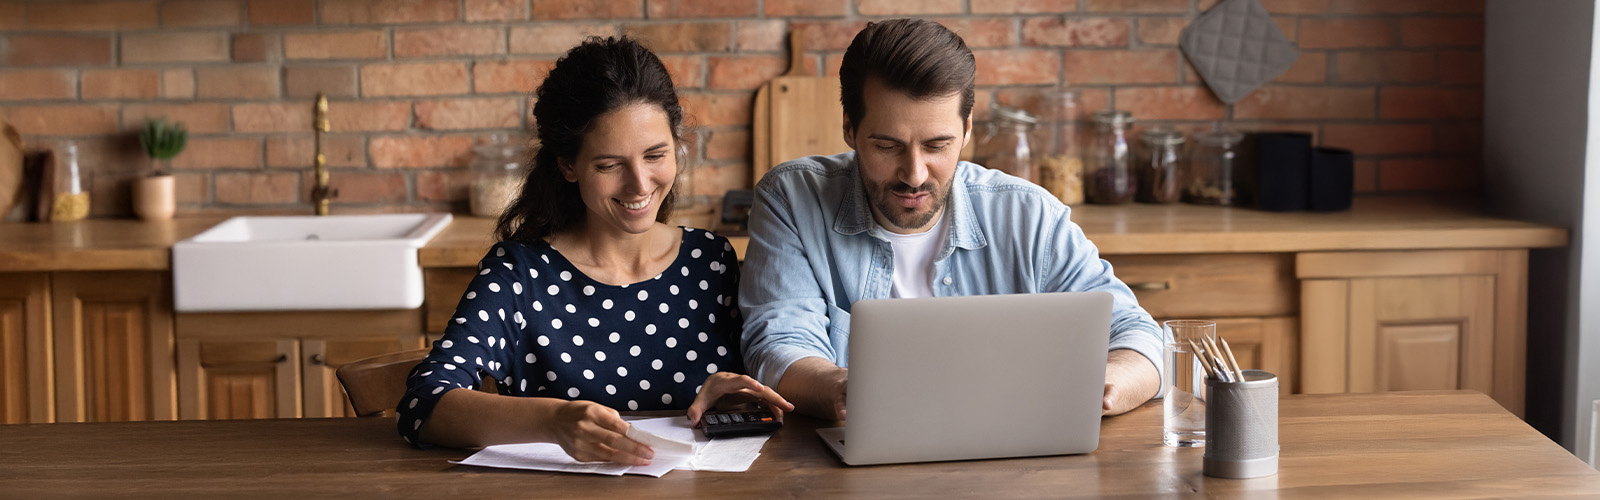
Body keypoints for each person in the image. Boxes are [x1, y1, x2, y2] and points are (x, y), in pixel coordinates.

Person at [739, 19, 1164, 422]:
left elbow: (1138, 334)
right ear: (850, 129)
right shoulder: (791, 198)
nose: (915, 174)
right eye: (887, 146)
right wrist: (850, 389)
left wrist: (1103, 388)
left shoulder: (1030, 215)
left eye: (937, 145)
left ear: (967, 130)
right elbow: (777, 346)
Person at [397, 36, 791, 465]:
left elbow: (767, 395)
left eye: (655, 155)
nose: (640, 184)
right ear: (568, 165)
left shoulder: (712, 261)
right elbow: (425, 403)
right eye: (609, 165)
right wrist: (553, 422)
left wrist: (737, 402)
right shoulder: (520, 273)